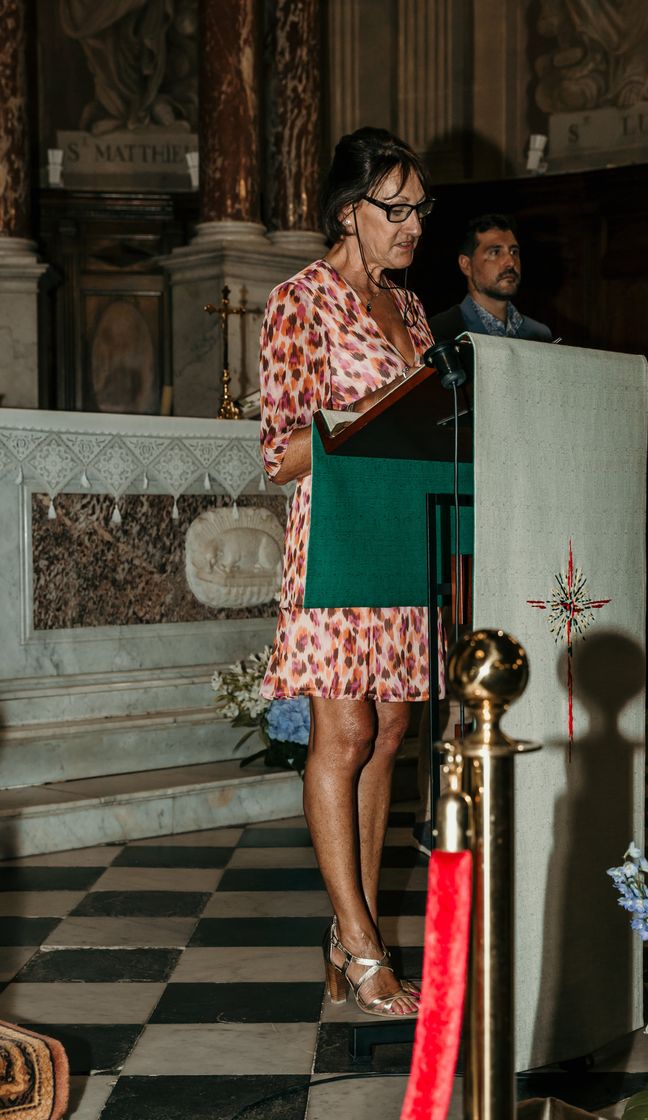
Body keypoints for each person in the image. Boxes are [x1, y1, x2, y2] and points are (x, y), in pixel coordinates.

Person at [259, 127, 440, 1018]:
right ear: (346, 211)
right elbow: (280, 454)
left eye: (421, 209)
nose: (413, 227)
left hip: (400, 533)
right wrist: (374, 408)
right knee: (345, 734)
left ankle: (348, 928)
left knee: (392, 729)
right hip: (335, 536)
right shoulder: (299, 301)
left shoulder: (410, 307)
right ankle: (363, 944)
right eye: (394, 209)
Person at [428, 213, 552, 343]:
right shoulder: (440, 332)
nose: (510, 262)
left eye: (514, 252)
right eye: (495, 252)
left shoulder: (539, 335)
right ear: (466, 265)